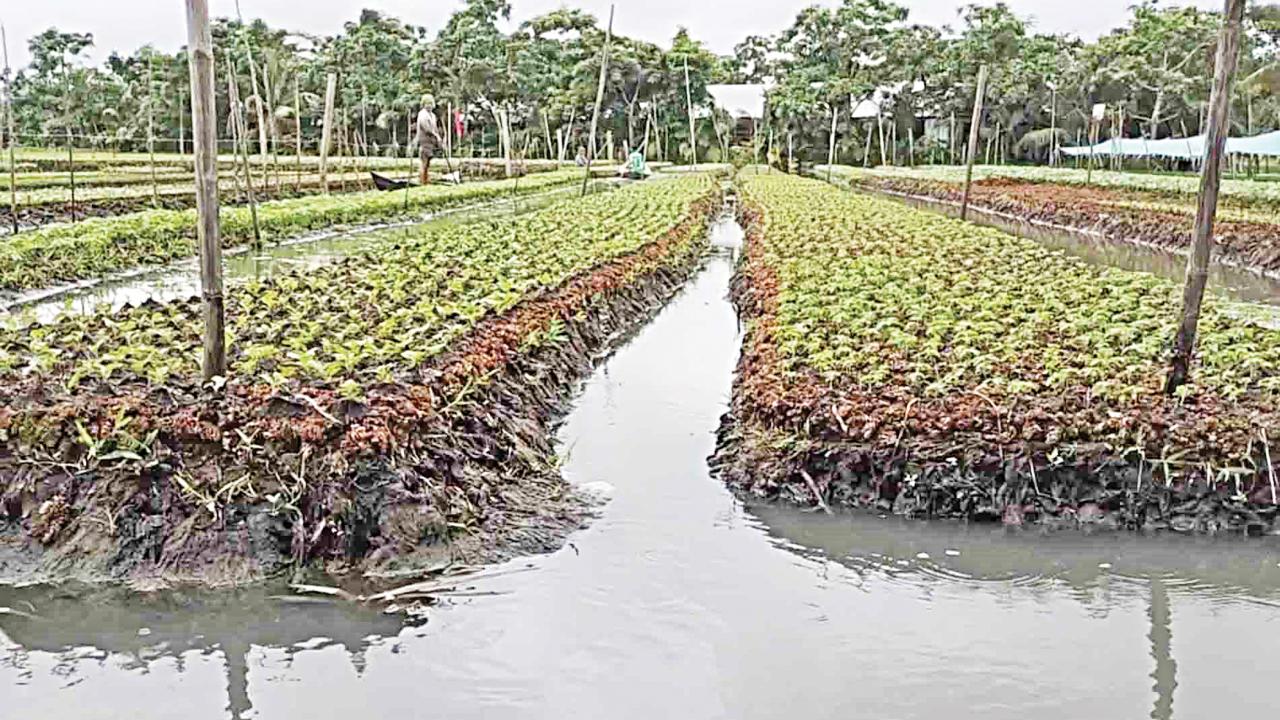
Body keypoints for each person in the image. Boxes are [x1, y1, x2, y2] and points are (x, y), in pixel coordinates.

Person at [413, 94, 443, 185]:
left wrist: (438, 138)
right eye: (427, 104)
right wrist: (436, 135)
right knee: (424, 163)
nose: (429, 105)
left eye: (430, 103)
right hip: (424, 142)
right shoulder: (422, 114)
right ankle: (422, 181)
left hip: (431, 142)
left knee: (428, 163)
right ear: (423, 104)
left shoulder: (433, 115)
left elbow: (435, 128)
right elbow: (426, 128)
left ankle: (426, 181)